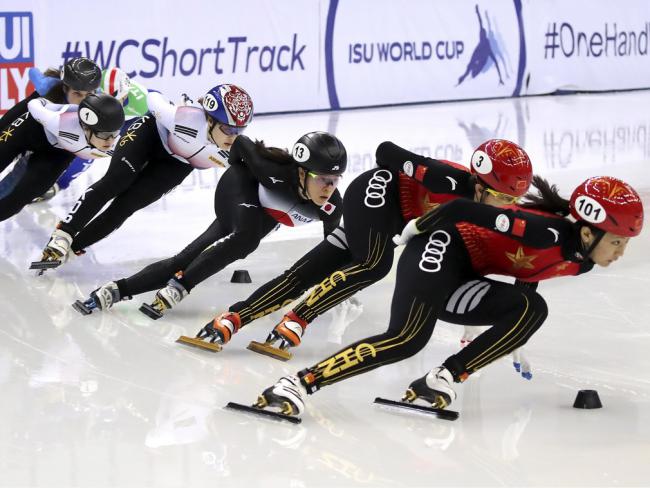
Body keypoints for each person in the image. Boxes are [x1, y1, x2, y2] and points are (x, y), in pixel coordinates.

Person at [243, 175, 643, 419]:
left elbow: (529, 270)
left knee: (532, 309)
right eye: (618, 242)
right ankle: (297, 383)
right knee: (406, 338)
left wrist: (514, 332)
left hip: (463, 272)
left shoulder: (583, 258)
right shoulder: (544, 232)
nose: (621, 253)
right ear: (588, 233)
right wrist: (415, 228)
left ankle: (442, 378)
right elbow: (464, 208)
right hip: (437, 249)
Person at [187, 139, 533, 359]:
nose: (505, 205)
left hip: (386, 223)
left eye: (513, 200)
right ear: (478, 183)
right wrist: (415, 169)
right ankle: (297, 318)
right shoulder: (446, 179)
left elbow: (527, 263)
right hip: (376, 194)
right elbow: (385, 151)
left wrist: (514, 319)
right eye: (501, 197)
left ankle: (232, 318)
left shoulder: (496, 213)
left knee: (307, 272)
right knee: (376, 264)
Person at [73, 131, 347, 321]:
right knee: (247, 239)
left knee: (186, 259)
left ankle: (115, 290)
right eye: (322, 178)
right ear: (301, 172)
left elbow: (331, 249)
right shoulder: (272, 171)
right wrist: (234, 166)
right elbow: (240, 143)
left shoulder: (331, 206)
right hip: (239, 188)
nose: (329, 187)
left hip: (265, 214)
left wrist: (337, 283)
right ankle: (182, 285)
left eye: (335, 180)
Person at [35, 84, 253, 267]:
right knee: (115, 181)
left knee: (127, 206)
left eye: (239, 130)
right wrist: (182, 106)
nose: (233, 137)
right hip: (149, 135)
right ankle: (64, 234)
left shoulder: (232, 152)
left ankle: (74, 248)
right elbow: (152, 97)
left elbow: (259, 171)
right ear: (210, 119)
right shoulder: (183, 118)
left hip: (178, 164)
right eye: (228, 129)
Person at [0, 66, 150, 202]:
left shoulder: (135, 111)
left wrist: (60, 184)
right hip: (44, 126)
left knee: (23, 175)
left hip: (64, 140)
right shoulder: (83, 85)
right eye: (89, 94)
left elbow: (85, 155)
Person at [0, 92, 124, 223]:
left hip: (58, 154)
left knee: (24, 195)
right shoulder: (61, 122)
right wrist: (47, 103)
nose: (110, 141)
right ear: (86, 128)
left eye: (115, 133)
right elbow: (34, 104)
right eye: (104, 135)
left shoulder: (114, 144)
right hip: (31, 130)